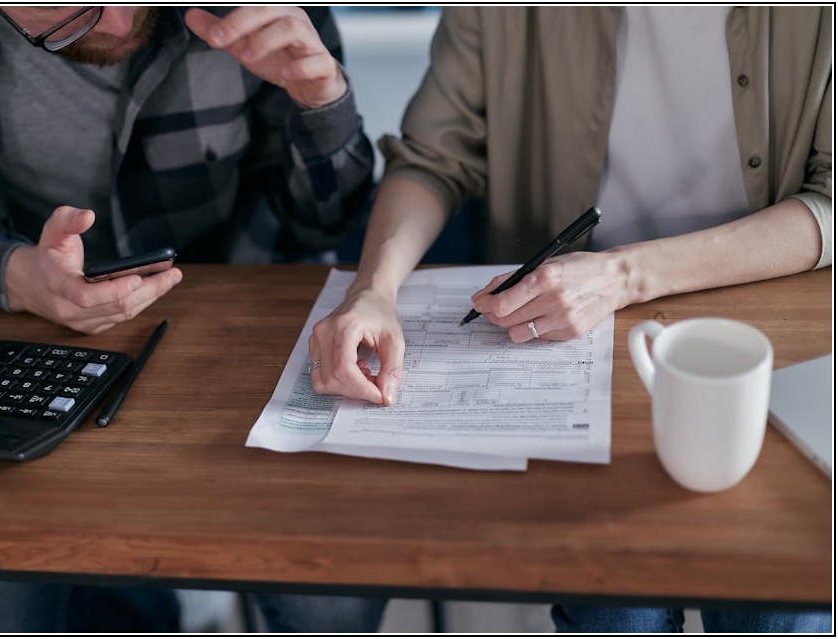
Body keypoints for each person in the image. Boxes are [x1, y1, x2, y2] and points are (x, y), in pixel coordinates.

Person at [308, 6, 831, 634]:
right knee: (614, 604)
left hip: (769, 325)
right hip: (562, 335)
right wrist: (374, 289)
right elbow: (431, 158)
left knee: (783, 596)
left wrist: (623, 276)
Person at [0, 5, 382, 632]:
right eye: (71, 14)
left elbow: (328, 222)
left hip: (244, 338)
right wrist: (12, 273)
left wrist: (323, 102)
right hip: (27, 344)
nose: (121, 24)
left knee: (331, 601)